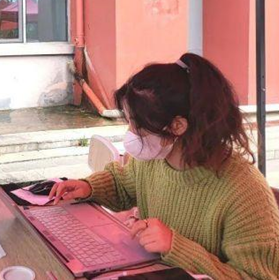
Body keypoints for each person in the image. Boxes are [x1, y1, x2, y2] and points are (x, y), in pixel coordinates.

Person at [49, 53, 279, 280]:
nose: (130, 134)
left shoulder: (244, 192)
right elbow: (123, 184)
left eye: (138, 125)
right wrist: (89, 187)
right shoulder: (154, 160)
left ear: (177, 126)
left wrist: (175, 246)